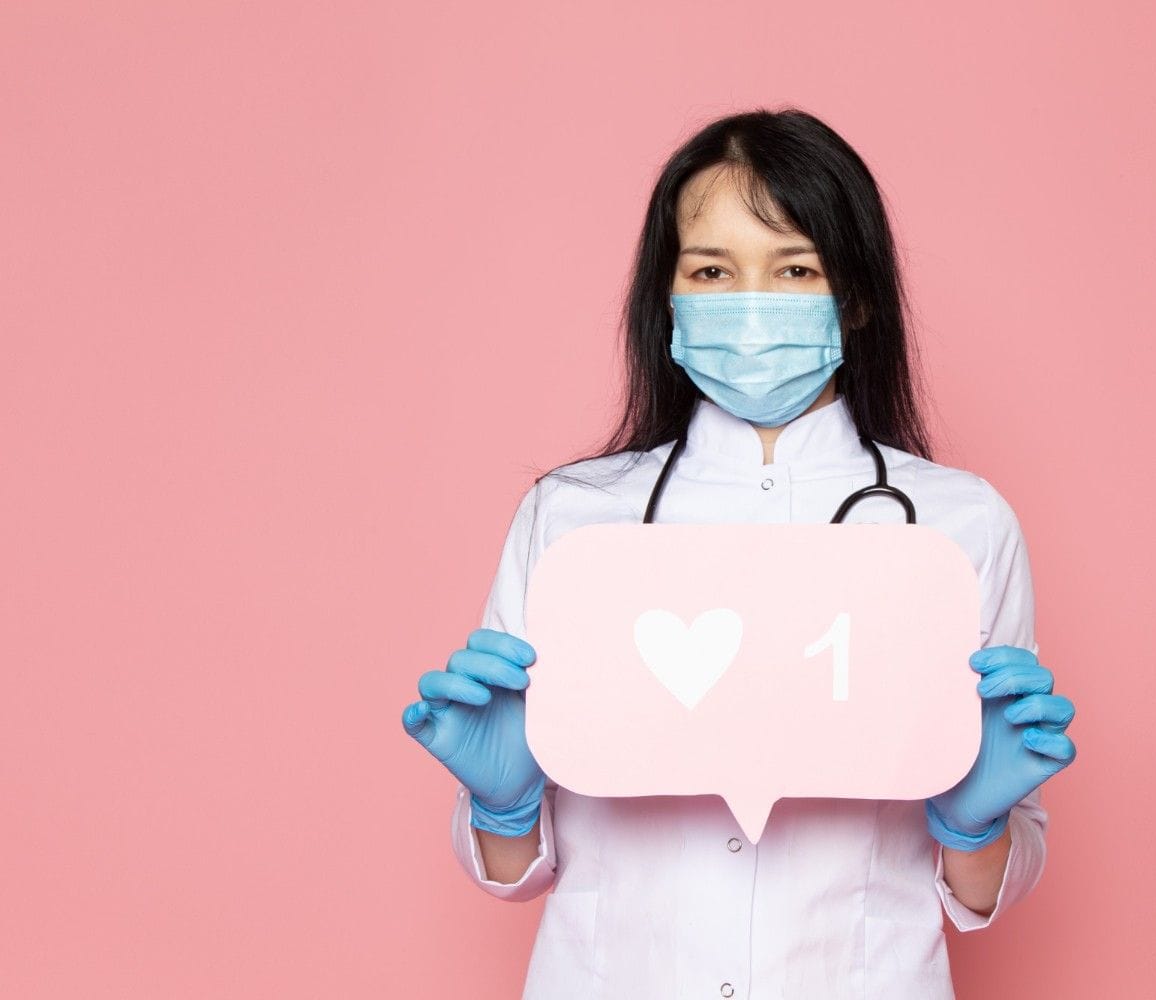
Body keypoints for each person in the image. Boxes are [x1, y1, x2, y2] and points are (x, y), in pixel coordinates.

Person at [401, 107, 1079, 999]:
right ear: (669, 298)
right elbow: (516, 870)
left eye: (796, 268)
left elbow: (987, 885)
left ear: (859, 295)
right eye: (712, 271)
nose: (752, 303)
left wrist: (975, 824)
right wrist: (504, 803)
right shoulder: (573, 522)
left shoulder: (958, 527)